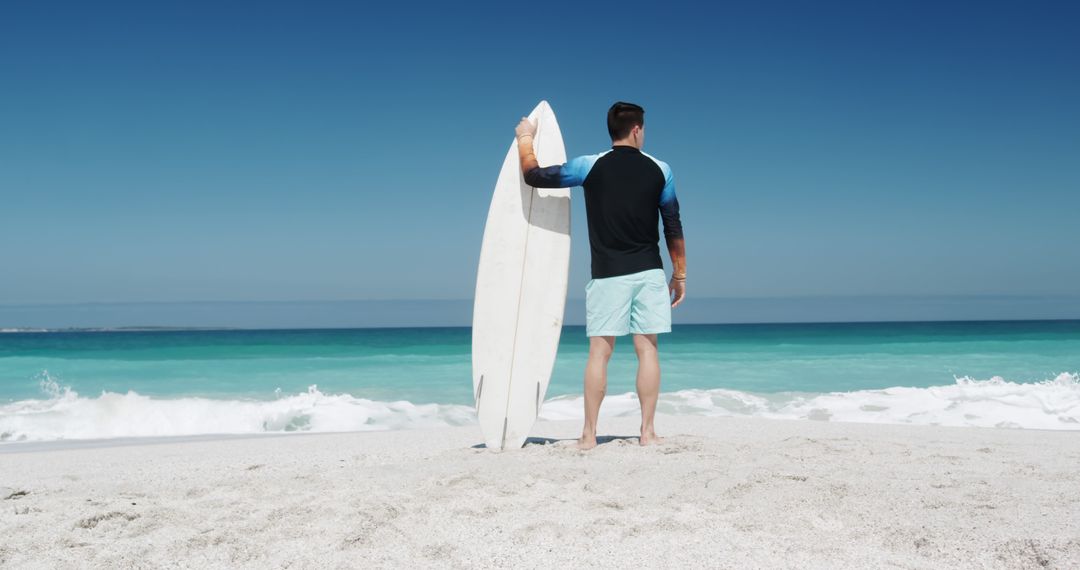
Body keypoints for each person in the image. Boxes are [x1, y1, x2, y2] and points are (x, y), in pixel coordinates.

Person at [515, 101, 686, 450]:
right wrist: (679, 274)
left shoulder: (588, 166)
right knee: (647, 350)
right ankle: (648, 432)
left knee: (599, 353)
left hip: (608, 274)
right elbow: (672, 224)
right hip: (650, 272)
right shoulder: (660, 169)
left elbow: (534, 177)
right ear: (637, 129)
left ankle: (589, 434)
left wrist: (525, 139)